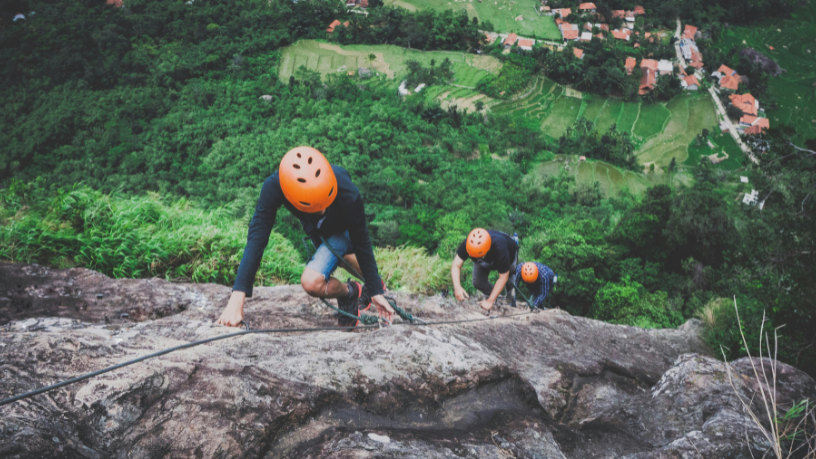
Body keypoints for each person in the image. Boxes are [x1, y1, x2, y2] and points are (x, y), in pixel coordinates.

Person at [216, 146, 394, 328]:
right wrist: (237, 298)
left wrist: (375, 291)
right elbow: (257, 238)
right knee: (339, 258)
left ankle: (363, 289)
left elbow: (361, 241)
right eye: (315, 207)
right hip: (317, 231)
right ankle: (355, 290)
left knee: (311, 281)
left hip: (344, 230)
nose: (323, 210)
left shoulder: (347, 192)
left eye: (326, 202)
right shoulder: (277, 186)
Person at [450, 228, 519, 312]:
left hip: (509, 254)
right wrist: (457, 286)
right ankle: (495, 297)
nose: (474, 258)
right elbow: (456, 265)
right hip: (484, 260)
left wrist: (489, 301)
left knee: (509, 280)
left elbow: (503, 277)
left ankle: (511, 300)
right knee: (478, 282)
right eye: (473, 256)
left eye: (477, 256)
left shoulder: (500, 247)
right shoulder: (468, 243)